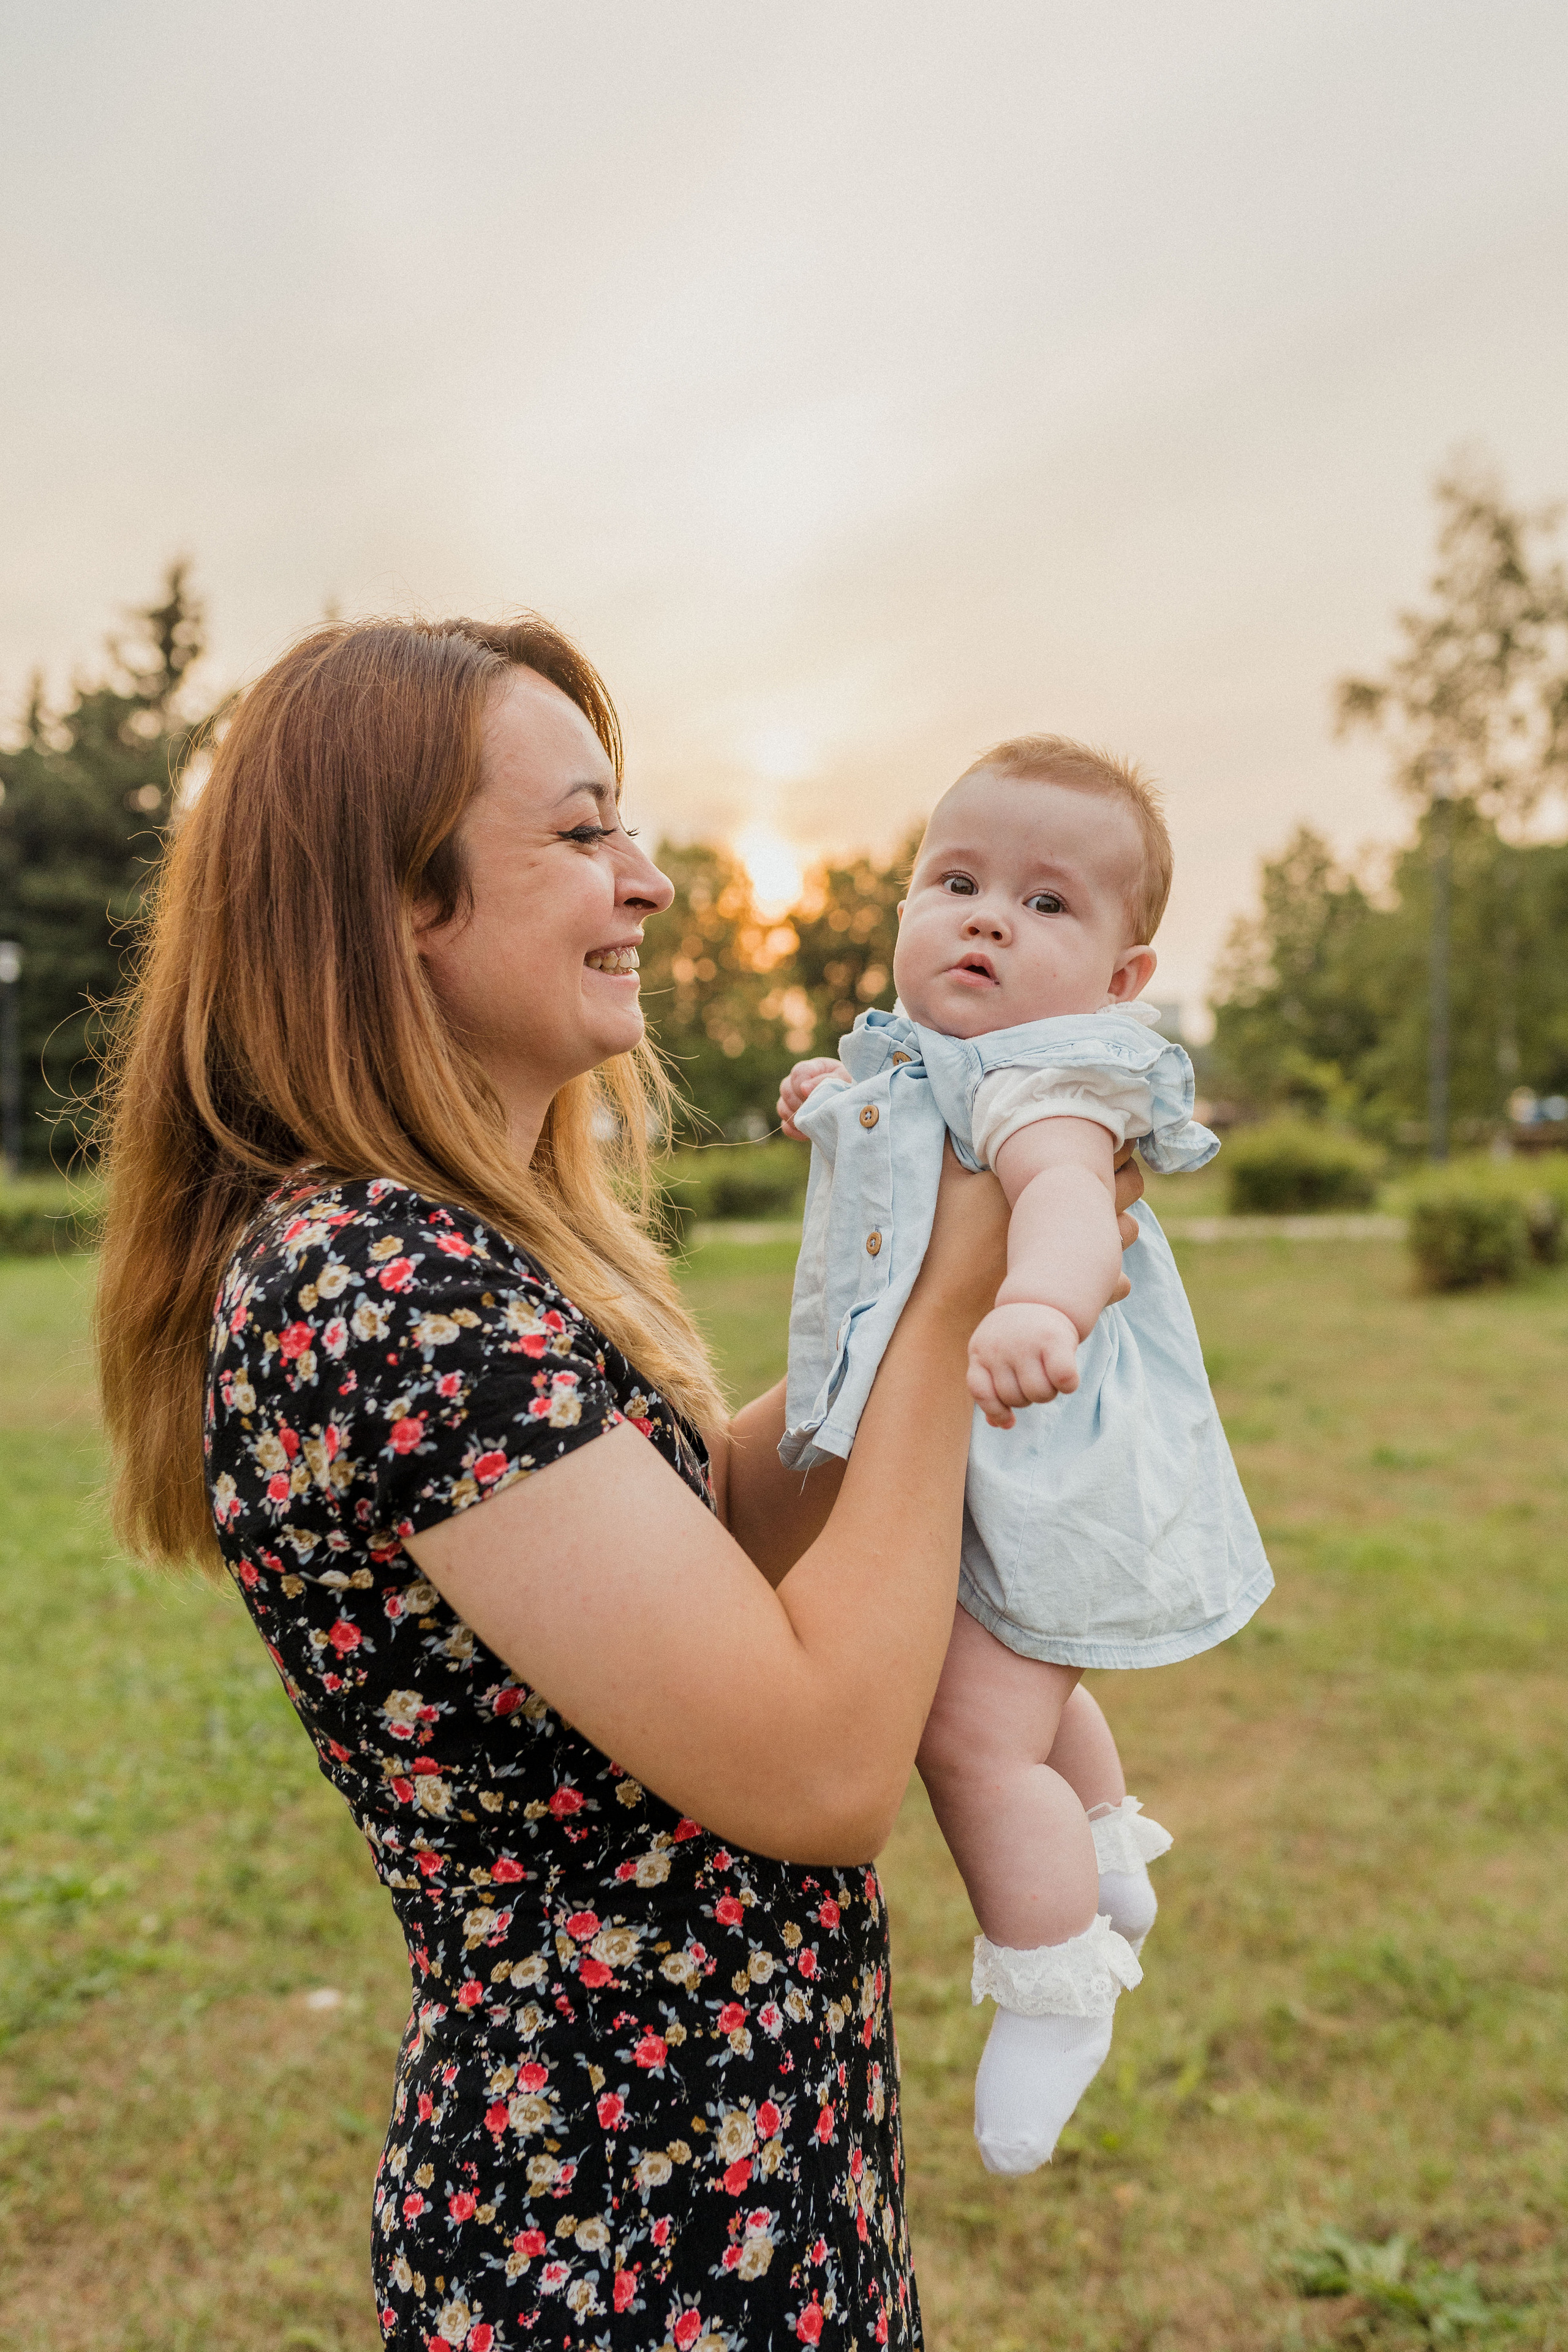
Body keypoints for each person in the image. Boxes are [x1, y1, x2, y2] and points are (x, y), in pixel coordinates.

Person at [94, 622, 1147, 2350]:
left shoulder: (452, 1251)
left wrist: (895, 1310)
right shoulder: (375, 1282)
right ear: (397, 905)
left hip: (735, 2175)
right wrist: (960, 1299)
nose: (648, 882)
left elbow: (690, 1547)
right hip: (614, 2236)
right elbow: (816, 1769)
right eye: (582, 835)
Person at [776, 735, 1272, 2177]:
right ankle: (1104, 1842)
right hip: (984, 1447)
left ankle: (1052, 1969)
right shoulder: (945, 1061)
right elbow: (905, 1148)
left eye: (1047, 904)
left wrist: (1040, 1306)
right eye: (958, 880)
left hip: (1027, 1423)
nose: (988, 917)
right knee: (1020, 1662)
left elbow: (1065, 1201)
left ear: (1124, 981)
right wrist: (834, 1100)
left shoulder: (1048, 1083)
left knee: (969, 1731)